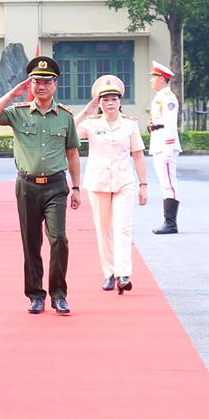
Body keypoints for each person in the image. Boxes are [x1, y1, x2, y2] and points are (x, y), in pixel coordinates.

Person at [0, 56, 81, 315]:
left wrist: (77, 187)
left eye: (47, 82)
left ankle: (59, 294)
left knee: (58, 239)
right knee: (31, 242)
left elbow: (72, 153)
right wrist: (13, 93)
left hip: (56, 186)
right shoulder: (18, 112)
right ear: (30, 85)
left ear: (55, 85)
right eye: (36, 81)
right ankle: (35, 295)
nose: (41, 86)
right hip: (27, 187)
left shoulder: (65, 117)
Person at [74, 75, 148, 295]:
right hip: (98, 182)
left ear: (120, 101)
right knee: (103, 229)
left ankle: (123, 273)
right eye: (105, 99)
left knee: (122, 228)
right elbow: (67, 131)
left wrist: (144, 184)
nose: (110, 103)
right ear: (99, 102)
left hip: (124, 181)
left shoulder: (130, 125)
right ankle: (109, 273)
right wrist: (87, 111)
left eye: (114, 99)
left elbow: (138, 155)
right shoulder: (91, 124)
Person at [147, 62, 182, 234]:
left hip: (165, 146)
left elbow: (170, 125)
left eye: (153, 78)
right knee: (165, 183)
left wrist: (168, 149)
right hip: (159, 144)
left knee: (169, 183)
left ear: (161, 79)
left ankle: (171, 224)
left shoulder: (167, 97)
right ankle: (168, 222)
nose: (151, 81)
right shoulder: (160, 96)